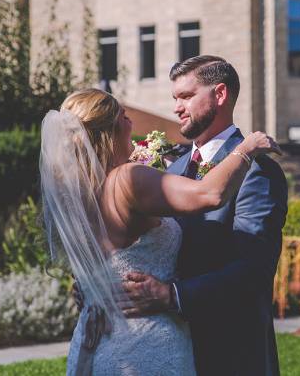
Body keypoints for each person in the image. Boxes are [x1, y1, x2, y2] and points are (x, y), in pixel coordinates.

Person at [40, 87, 281, 376]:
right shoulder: (128, 179)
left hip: (93, 344)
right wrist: (247, 148)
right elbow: (210, 194)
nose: (131, 123)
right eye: (124, 116)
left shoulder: (76, 198)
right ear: (110, 131)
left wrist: (90, 289)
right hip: (145, 345)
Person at [122, 56, 289, 375]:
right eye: (175, 98)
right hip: (166, 347)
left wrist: (172, 295)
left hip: (230, 352)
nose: (177, 108)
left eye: (186, 96)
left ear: (220, 94)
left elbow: (254, 269)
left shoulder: (257, 171)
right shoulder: (172, 169)